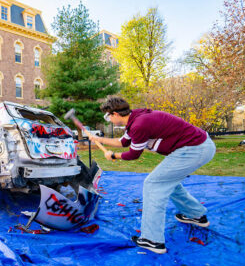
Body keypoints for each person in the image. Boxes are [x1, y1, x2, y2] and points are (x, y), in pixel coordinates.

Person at [89, 96, 216, 254]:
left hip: (194, 150)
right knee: (168, 182)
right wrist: (97, 139)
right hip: (197, 147)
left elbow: (133, 154)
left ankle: (152, 240)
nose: (108, 120)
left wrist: (114, 156)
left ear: (115, 114)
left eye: (108, 116)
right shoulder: (135, 119)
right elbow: (123, 142)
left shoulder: (139, 124)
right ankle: (196, 215)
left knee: (154, 184)